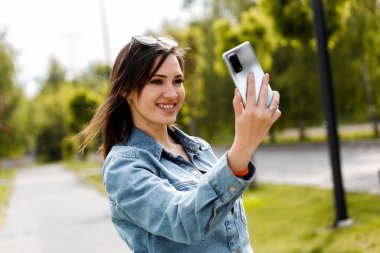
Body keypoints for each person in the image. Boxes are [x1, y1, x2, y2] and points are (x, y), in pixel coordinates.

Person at [79, 35, 281, 252]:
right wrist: (242, 148)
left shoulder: (199, 148)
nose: (172, 93)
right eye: (157, 81)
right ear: (126, 90)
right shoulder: (122, 168)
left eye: (177, 81)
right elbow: (184, 222)